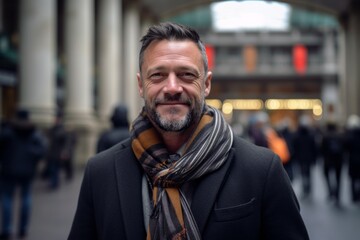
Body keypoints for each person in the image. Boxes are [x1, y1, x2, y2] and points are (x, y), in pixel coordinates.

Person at [68, 22, 309, 240]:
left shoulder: (262, 170)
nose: (172, 88)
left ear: (206, 84)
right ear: (141, 85)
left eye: (186, 75)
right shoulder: (101, 172)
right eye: (158, 75)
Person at [0, 109, 46, 240]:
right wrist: (32, 158)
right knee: (26, 198)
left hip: (9, 169)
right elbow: (42, 150)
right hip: (27, 169)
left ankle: (7, 229)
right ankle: (23, 229)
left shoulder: (8, 131)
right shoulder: (34, 132)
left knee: (7, 198)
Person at [43, 115, 76, 189]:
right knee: (52, 168)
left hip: (57, 153)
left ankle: (54, 183)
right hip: (52, 153)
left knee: (55, 169)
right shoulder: (53, 129)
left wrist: (65, 151)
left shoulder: (62, 131)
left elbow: (67, 143)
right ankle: (53, 182)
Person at [321, 122, 345, 206]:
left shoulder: (325, 136)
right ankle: (337, 194)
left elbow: (322, 149)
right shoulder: (340, 136)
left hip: (328, 160)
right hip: (338, 160)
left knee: (327, 175)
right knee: (338, 178)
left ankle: (331, 191)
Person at [344, 114, 360, 203]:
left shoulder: (349, 136)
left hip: (352, 161)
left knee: (353, 180)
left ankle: (354, 196)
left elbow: (346, 147)